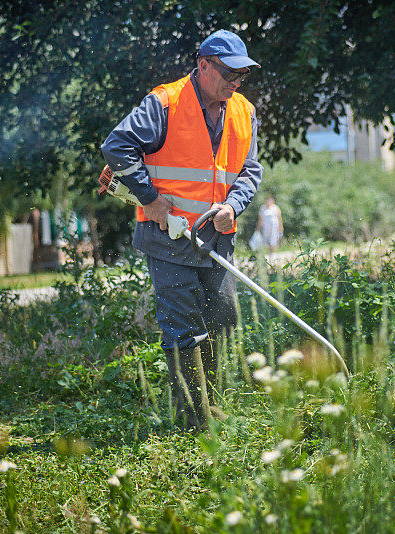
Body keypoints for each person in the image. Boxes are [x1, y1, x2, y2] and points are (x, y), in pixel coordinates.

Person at [101, 29, 263, 430]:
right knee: (184, 324)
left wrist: (232, 205)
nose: (235, 83)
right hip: (167, 237)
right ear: (204, 65)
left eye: (241, 76)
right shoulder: (164, 103)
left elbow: (250, 171)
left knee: (223, 316)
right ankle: (193, 418)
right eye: (229, 73)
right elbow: (117, 145)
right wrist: (150, 199)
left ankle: (210, 403)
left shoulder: (244, 111)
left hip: (216, 237)